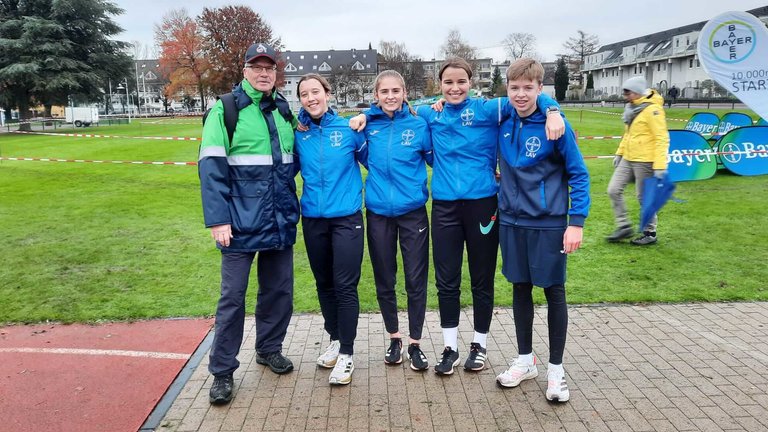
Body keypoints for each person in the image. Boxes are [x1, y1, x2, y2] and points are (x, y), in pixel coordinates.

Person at [354, 58, 564, 375]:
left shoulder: (488, 109)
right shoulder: (428, 112)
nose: (455, 88)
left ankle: (479, 345)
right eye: (448, 83)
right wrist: (362, 114)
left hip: (483, 205)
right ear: (440, 85)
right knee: (447, 281)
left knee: (481, 279)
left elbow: (531, 95)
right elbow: (391, 107)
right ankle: (450, 348)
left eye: (461, 82)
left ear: (470, 83)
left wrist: (553, 110)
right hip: (445, 207)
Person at [198, 43, 299, 405]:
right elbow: (210, 168)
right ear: (245, 71)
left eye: (269, 68)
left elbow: (290, 165)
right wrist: (218, 219)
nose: (263, 73)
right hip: (238, 224)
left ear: (276, 72)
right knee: (232, 300)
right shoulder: (226, 110)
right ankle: (222, 371)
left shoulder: (284, 110)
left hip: (279, 220)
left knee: (278, 292)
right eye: (256, 67)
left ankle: (269, 348)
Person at [493, 58, 590, 403]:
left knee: (553, 291)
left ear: (540, 88)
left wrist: (575, 223)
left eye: (528, 88)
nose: (521, 95)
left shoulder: (556, 125)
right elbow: (462, 104)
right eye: (514, 88)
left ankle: (556, 370)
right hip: (511, 221)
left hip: (548, 223)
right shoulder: (502, 117)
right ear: (507, 88)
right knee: (520, 288)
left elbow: (579, 174)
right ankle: (525, 360)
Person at [356, 70, 433, 371]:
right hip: (378, 214)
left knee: (416, 279)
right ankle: (394, 338)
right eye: (384, 91)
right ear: (376, 95)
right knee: (384, 278)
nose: (390, 96)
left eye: (395, 91)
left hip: (413, 212)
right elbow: (362, 158)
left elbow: (436, 158)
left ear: (404, 92)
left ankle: (415, 343)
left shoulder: (418, 124)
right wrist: (364, 115)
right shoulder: (365, 126)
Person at [294, 73, 367, 385]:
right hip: (313, 218)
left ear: (327, 93)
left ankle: (348, 355)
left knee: (344, 285)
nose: (311, 98)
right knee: (323, 283)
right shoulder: (299, 133)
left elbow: (376, 162)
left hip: (346, 218)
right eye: (304, 94)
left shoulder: (348, 128)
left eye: (315, 92)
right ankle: (336, 340)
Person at [606, 76, 670, 246]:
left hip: (645, 160)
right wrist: (619, 154)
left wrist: (660, 166)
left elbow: (661, 138)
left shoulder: (653, 110)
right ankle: (624, 226)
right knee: (613, 190)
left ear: (636, 92)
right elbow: (628, 135)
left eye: (627, 92)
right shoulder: (631, 109)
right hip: (628, 157)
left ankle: (650, 232)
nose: (624, 96)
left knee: (644, 197)